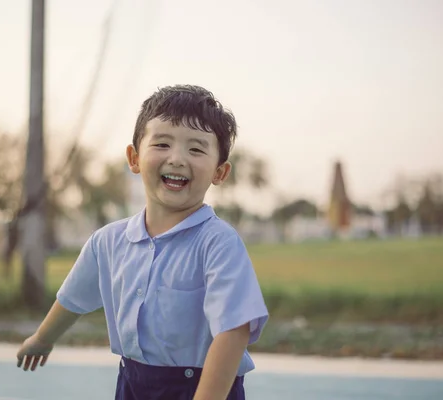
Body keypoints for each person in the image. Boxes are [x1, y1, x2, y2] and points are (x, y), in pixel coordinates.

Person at [16, 84, 269, 399]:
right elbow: (72, 298)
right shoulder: (107, 242)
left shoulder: (217, 243)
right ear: (134, 158)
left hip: (202, 387)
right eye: (162, 144)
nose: (177, 158)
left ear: (219, 172)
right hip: (133, 382)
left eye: (196, 149)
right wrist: (42, 338)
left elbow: (233, 331)